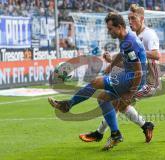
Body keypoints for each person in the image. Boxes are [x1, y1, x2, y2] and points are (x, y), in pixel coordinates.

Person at [48, 12, 147, 150]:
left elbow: (138, 70)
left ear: (119, 27)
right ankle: (116, 133)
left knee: (96, 82)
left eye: (110, 29)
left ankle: (68, 105)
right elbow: (122, 55)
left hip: (134, 78)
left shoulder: (130, 42)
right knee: (102, 99)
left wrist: (131, 93)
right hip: (130, 75)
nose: (108, 32)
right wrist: (111, 65)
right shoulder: (126, 39)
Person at [79, 4, 161, 143]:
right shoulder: (132, 36)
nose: (130, 22)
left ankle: (101, 134)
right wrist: (113, 61)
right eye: (129, 19)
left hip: (149, 80)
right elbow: (128, 57)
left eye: (133, 18)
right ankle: (144, 126)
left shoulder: (148, 34)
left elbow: (157, 55)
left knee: (117, 103)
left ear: (142, 19)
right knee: (114, 102)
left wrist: (138, 50)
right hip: (136, 76)